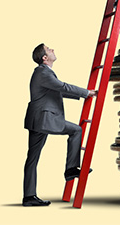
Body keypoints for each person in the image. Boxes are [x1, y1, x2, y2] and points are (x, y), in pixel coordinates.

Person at [22, 43, 96, 207]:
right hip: (44, 119)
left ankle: (29, 196)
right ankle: (71, 169)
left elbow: (59, 91)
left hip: (37, 119)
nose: (53, 49)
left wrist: (82, 95)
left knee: (32, 159)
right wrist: (86, 93)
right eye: (49, 49)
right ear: (45, 58)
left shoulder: (43, 73)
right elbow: (62, 86)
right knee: (76, 130)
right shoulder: (43, 72)